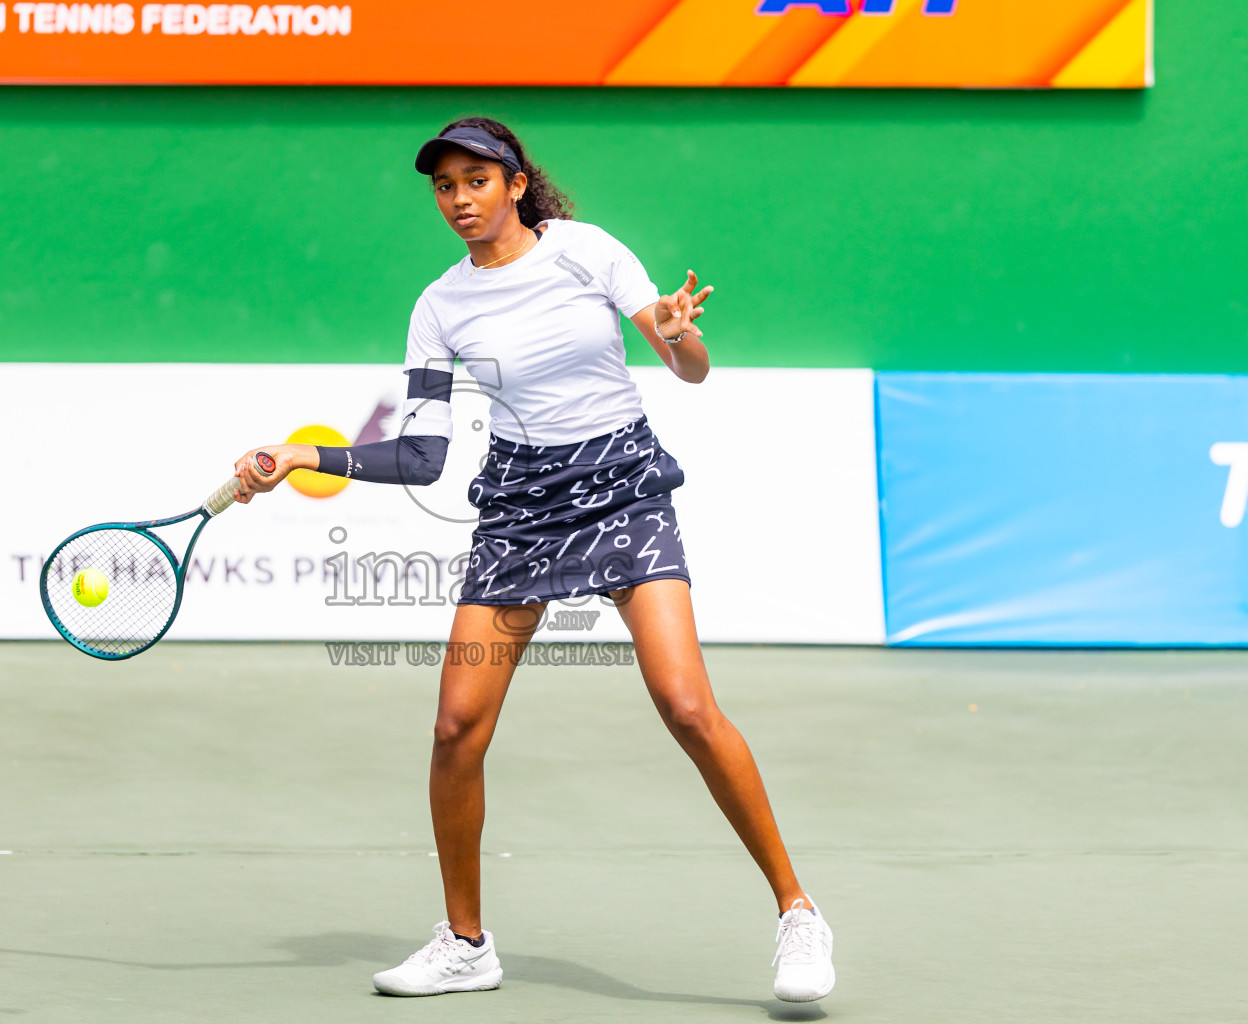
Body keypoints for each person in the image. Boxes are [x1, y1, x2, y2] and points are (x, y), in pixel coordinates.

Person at [230, 117, 835, 1004]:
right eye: (444, 186)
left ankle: (797, 913)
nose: (459, 199)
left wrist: (674, 334)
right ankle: (465, 942)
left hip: (622, 486)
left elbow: (691, 368)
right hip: (520, 511)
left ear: (516, 183)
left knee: (686, 705)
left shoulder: (587, 252)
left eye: (476, 180)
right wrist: (305, 457)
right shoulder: (439, 307)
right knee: (455, 729)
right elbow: (425, 457)